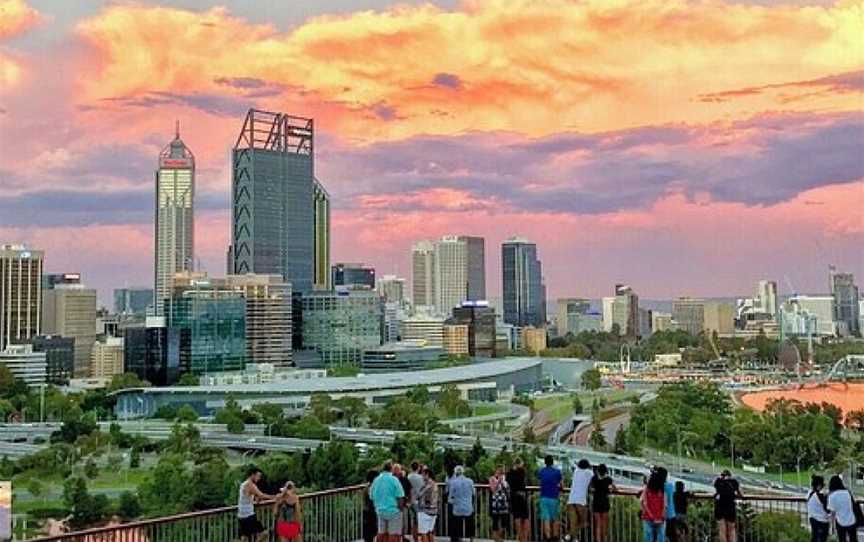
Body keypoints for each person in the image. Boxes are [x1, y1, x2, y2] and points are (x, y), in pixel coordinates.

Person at [238, 468, 278, 542]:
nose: (259, 478)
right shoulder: (250, 484)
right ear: (253, 475)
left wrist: (256, 499)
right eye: (258, 476)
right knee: (264, 533)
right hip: (248, 515)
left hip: (241, 515)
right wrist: (275, 497)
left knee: (245, 537)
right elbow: (261, 495)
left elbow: (249, 497)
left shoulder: (244, 484)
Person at [371, 461, 406, 542]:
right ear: (391, 469)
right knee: (393, 534)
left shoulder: (376, 480)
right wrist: (400, 509)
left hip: (380, 510)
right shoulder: (394, 480)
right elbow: (400, 496)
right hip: (393, 510)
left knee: (381, 532)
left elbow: (372, 496)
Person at [537, 455, 564, 542]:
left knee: (546, 518)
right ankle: (555, 537)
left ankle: (548, 537)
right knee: (555, 518)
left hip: (544, 497)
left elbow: (540, 482)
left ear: (545, 462)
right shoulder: (557, 472)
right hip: (554, 497)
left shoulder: (541, 471)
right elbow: (562, 485)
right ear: (552, 462)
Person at [567, 459, 593, 542]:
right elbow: (590, 485)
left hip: (571, 500)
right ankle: (568, 536)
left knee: (573, 523)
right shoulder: (589, 473)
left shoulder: (576, 471)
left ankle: (573, 538)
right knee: (584, 522)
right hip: (581, 500)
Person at [448, 465, 476, 542]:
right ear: (463, 472)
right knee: (470, 524)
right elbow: (474, 493)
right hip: (468, 508)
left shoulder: (453, 482)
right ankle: (471, 539)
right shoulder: (470, 481)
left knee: (457, 525)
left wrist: (454, 501)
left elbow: (450, 498)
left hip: (457, 509)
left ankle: (459, 539)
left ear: (455, 473)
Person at [827, 475, 858, 542]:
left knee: (842, 540)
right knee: (854, 539)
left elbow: (832, 513)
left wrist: (832, 527)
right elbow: (853, 505)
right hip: (851, 520)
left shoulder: (831, 496)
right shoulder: (847, 492)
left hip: (840, 522)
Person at [713, 470, 742, 542]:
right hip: (730, 507)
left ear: (722, 475)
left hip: (720, 507)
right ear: (730, 475)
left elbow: (714, 485)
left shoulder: (718, 481)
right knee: (731, 530)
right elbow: (740, 494)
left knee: (722, 530)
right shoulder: (734, 482)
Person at [590, 464, 616, 542]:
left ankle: (598, 540)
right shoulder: (608, 479)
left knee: (598, 524)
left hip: (596, 502)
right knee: (604, 524)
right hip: (605, 502)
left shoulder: (594, 478)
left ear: (598, 471)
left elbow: (590, 488)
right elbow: (614, 488)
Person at [507, 457, 530, 542]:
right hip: (522, 495)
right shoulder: (522, 471)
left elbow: (508, 484)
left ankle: (520, 538)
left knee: (517, 517)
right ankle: (525, 538)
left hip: (513, 496)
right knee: (525, 518)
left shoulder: (509, 473)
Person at [640, 470, 666, 542]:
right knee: (661, 537)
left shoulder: (647, 490)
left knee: (648, 537)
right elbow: (664, 505)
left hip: (648, 518)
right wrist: (662, 515)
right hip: (660, 518)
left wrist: (651, 516)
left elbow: (644, 503)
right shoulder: (662, 490)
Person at [416, 467, 439, 542]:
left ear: (427, 474)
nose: (422, 477)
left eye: (423, 475)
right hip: (434, 511)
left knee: (423, 533)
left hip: (425, 511)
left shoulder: (427, 485)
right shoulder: (435, 484)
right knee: (430, 532)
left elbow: (419, 495)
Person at [489, 464, 511, 542]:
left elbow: (508, 490)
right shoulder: (492, 478)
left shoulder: (505, 480)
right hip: (495, 502)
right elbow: (493, 489)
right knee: (495, 521)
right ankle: (496, 538)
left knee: (504, 522)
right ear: (496, 470)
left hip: (504, 503)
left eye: (502, 470)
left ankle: (500, 537)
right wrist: (499, 481)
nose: (501, 471)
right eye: (499, 470)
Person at [654, 467, 677, 542]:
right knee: (672, 536)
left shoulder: (656, 487)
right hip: (670, 514)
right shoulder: (670, 486)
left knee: (659, 536)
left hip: (659, 515)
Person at [394, 464, 414, 542]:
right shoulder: (391, 480)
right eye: (395, 470)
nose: (396, 472)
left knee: (403, 523)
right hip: (393, 505)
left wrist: (409, 501)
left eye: (397, 470)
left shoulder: (405, 480)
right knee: (395, 524)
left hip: (404, 504)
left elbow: (410, 491)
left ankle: (402, 537)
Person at [808, 475, 830, 542]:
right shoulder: (820, 496)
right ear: (819, 486)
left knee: (814, 537)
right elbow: (827, 509)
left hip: (812, 518)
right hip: (822, 521)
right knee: (822, 539)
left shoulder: (809, 493)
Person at [408, 462, 425, 542]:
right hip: (420, 501)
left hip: (411, 501)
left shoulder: (408, 477)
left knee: (414, 522)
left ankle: (415, 539)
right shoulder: (421, 478)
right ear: (418, 468)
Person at [363, 470, 380, 542]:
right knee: (372, 533)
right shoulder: (371, 488)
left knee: (369, 533)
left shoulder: (367, 487)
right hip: (371, 513)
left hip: (367, 512)